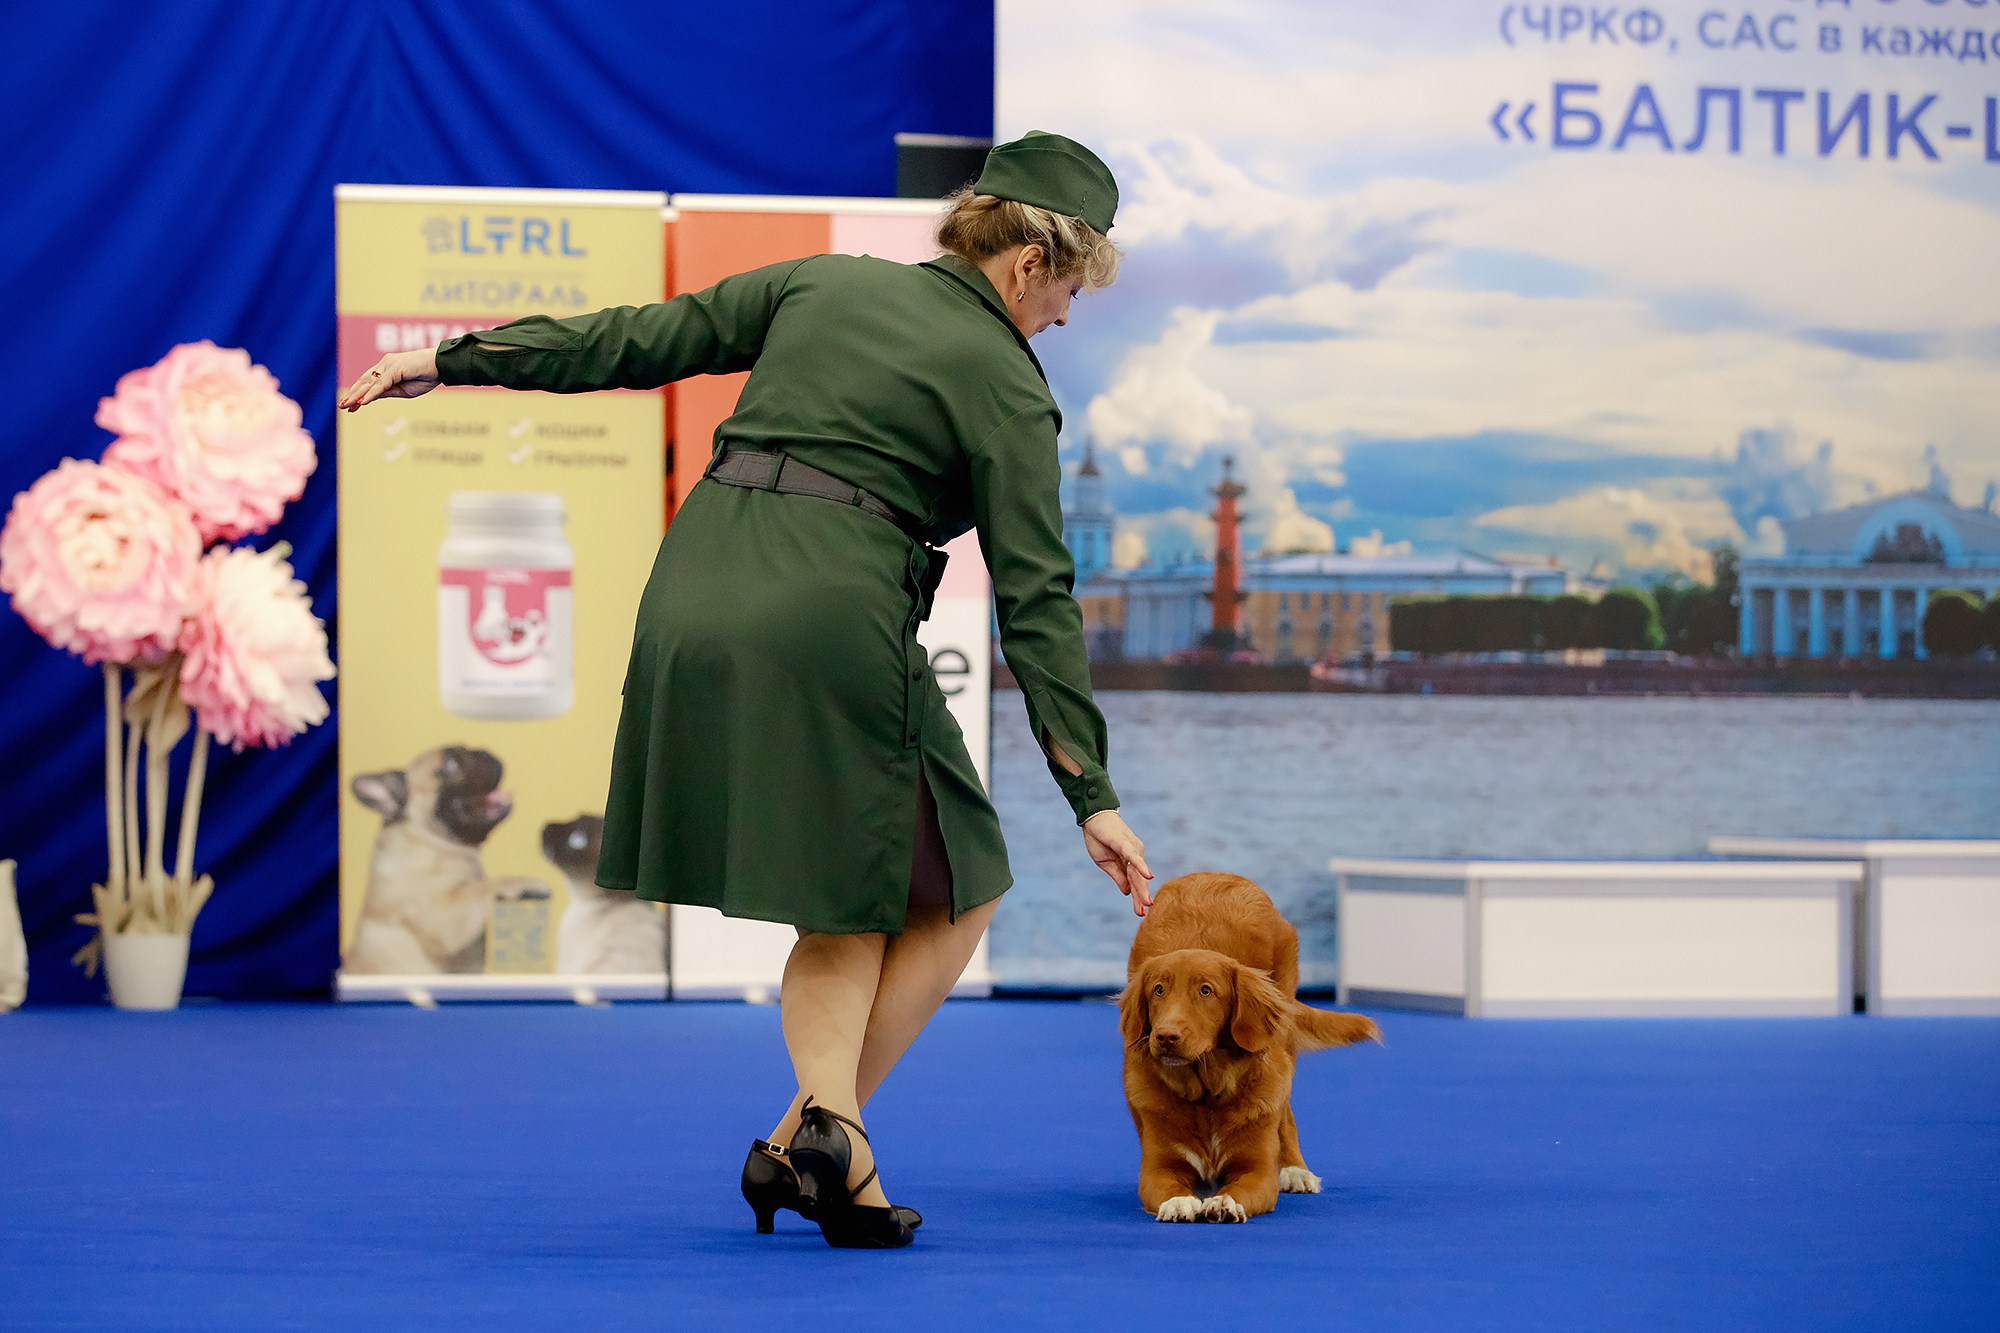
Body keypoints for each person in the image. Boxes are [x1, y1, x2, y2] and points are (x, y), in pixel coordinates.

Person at [339, 131, 1152, 1249]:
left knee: (857, 890)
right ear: (1026, 266)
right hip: (828, 618)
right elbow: (1037, 595)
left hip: (693, 590)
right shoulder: (1009, 384)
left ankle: (806, 1148)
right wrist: (1091, 793)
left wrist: (458, 357)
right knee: (962, 883)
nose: (1062, 318)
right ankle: (832, 1132)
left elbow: (637, 338)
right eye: (1069, 291)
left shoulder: (820, 281)